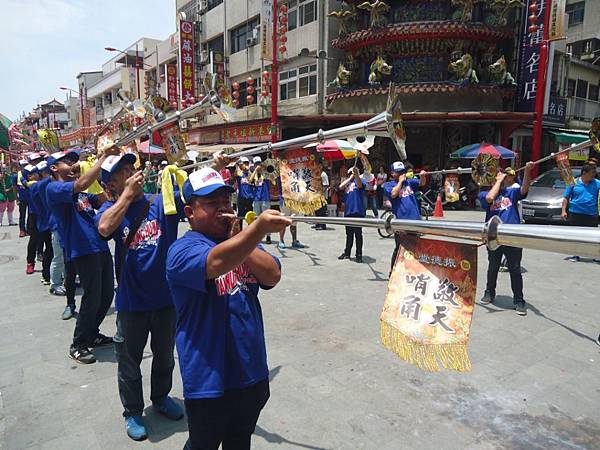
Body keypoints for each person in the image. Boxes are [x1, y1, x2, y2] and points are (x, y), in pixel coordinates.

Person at [166, 167, 289, 450]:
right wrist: (254, 232)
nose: (223, 210)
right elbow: (214, 263)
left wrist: (245, 237)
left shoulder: (240, 243)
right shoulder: (182, 250)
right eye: (211, 204)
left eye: (226, 202)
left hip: (251, 370)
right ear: (190, 212)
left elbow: (272, 275)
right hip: (209, 379)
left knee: (239, 441)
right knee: (203, 444)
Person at [96, 154, 185, 441]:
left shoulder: (159, 201)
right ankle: (132, 411)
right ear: (111, 184)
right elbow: (104, 228)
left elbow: (191, 203)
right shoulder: (110, 209)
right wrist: (126, 198)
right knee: (129, 361)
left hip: (166, 298)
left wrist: (213, 169)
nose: (132, 172)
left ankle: (160, 396)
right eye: (123, 171)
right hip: (132, 302)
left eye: (131, 167)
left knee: (164, 357)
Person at [46, 148, 117, 364]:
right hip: (82, 249)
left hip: (100, 247)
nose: (73, 165)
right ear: (54, 167)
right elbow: (81, 184)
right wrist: (101, 159)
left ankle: (92, 333)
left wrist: (107, 179)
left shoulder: (82, 194)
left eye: (75, 161)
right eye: (67, 161)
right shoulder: (54, 188)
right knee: (92, 297)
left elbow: (104, 198)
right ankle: (77, 344)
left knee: (106, 295)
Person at [479, 164, 533, 316]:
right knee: (493, 266)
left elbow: (524, 189)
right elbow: (490, 198)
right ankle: (489, 292)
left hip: (512, 235)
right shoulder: (483, 194)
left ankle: (519, 300)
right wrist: (499, 180)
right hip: (493, 236)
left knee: (515, 268)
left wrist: (528, 172)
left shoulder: (511, 192)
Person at [383, 161, 426, 273]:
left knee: (415, 248)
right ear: (392, 173)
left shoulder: (410, 182)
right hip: (400, 223)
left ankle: (412, 271)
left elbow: (421, 183)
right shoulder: (388, 185)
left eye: (403, 172)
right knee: (400, 249)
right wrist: (401, 182)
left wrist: (422, 176)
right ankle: (393, 272)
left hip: (415, 221)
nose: (402, 174)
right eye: (399, 172)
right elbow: (393, 194)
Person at [561, 161, 600, 263]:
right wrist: (563, 211)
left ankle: (595, 255)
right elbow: (566, 198)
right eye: (592, 172)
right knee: (576, 235)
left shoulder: (597, 183)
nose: (594, 175)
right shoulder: (573, 182)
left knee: (593, 236)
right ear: (584, 173)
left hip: (591, 214)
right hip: (575, 213)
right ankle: (575, 254)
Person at [28, 161, 54, 286]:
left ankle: (48, 274)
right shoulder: (41, 185)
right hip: (46, 222)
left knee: (50, 249)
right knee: (50, 249)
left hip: (43, 221)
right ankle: (47, 275)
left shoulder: (37, 186)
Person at [338, 159, 368, 263]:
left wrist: (357, 175)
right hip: (348, 212)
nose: (352, 174)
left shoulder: (360, 181)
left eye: (353, 172)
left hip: (358, 211)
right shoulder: (347, 183)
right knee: (349, 234)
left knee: (358, 234)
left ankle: (359, 254)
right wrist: (350, 177)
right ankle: (347, 252)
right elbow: (340, 187)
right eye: (350, 173)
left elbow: (360, 185)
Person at [248, 156, 272, 243]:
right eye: (256, 164)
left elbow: (270, 176)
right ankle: (257, 235)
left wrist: (262, 169)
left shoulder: (265, 173)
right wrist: (255, 171)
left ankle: (268, 236)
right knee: (256, 218)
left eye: (259, 163)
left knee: (267, 217)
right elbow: (250, 181)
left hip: (265, 198)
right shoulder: (253, 174)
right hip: (256, 198)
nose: (258, 165)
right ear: (254, 165)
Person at [235, 157, 255, 228]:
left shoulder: (251, 173)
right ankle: (239, 231)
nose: (246, 165)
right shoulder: (239, 174)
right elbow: (234, 176)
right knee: (240, 216)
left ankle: (250, 232)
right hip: (241, 197)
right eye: (244, 163)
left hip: (250, 198)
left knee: (250, 216)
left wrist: (249, 171)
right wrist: (238, 165)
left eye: (247, 163)